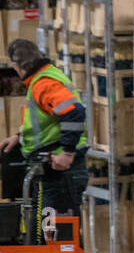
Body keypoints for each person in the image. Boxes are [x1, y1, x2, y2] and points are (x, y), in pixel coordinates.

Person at [1, 40, 89, 218]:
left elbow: (74, 112)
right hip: (52, 169)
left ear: (17, 66)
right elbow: (47, 121)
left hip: (60, 169)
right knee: (43, 230)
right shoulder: (41, 78)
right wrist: (20, 137)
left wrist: (67, 153)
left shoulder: (44, 83)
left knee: (58, 234)